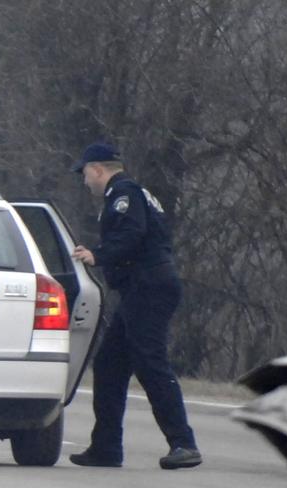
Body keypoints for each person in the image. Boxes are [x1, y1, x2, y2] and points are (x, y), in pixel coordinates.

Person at [67, 142, 202, 470]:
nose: (85, 181)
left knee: (150, 362)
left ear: (98, 169)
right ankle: (106, 447)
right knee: (110, 365)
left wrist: (98, 255)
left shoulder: (123, 194)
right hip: (141, 289)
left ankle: (183, 443)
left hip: (149, 288)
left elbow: (132, 234)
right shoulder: (134, 193)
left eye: (86, 173)